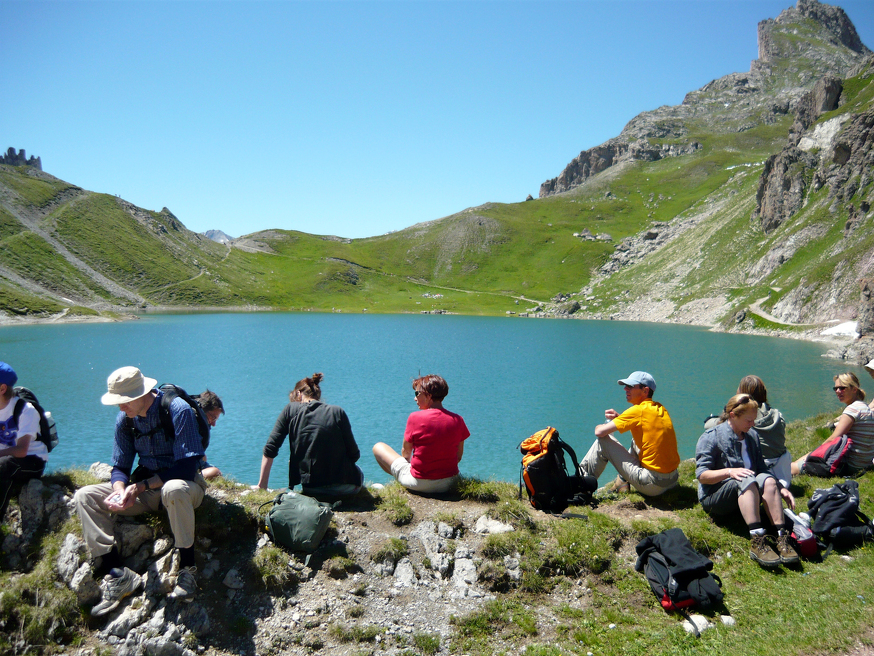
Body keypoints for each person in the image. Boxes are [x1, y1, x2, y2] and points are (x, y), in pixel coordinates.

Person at [74, 366, 207, 616]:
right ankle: (118, 573)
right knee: (85, 497)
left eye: (124, 402)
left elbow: (187, 468)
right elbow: (120, 466)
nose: (120, 408)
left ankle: (188, 569)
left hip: (185, 487)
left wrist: (141, 486)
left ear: (142, 393)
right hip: (145, 492)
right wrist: (120, 490)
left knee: (174, 489)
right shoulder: (125, 419)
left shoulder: (177, 410)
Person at [696, 393, 798, 568]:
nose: (753, 424)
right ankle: (757, 540)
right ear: (733, 415)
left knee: (769, 480)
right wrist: (729, 472)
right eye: (749, 420)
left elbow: (762, 469)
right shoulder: (711, 437)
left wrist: (781, 488)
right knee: (746, 477)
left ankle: (781, 537)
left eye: (754, 420)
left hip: (746, 491)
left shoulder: (751, 436)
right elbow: (702, 476)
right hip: (715, 497)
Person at [257, 373, 363, 499]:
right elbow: (354, 455)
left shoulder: (290, 410)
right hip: (346, 488)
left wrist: (262, 485)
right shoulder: (337, 411)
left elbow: (270, 448)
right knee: (359, 471)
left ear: (298, 394)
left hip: (312, 490)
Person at [578, 371, 680, 496]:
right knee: (636, 440)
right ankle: (622, 482)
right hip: (672, 480)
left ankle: (580, 486)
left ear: (645, 391)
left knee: (603, 440)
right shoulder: (659, 408)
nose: (626, 389)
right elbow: (640, 424)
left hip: (653, 485)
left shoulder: (637, 410)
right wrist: (620, 418)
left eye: (631, 386)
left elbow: (599, 432)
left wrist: (601, 425)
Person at [373, 374, 469, 494]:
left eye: (417, 394)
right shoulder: (458, 419)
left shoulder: (415, 417)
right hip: (450, 482)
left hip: (419, 483)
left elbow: (406, 453)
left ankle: (403, 483)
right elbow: (458, 457)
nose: (415, 398)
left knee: (378, 447)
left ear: (428, 396)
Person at [705, 376, 790, 487]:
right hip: (782, 474)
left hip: (756, 472)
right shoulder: (777, 416)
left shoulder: (745, 419)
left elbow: (710, 426)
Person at [791, 372, 874, 477]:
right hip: (863, 464)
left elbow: (834, 438)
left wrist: (815, 454)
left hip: (850, 466)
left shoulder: (853, 409)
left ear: (854, 389)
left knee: (792, 467)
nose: (838, 392)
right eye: (836, 389)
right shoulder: (864, 407)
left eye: (842, 388)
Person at [0, 362, 48, 523]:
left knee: (3, 466)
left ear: (2, 388)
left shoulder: (25, 410)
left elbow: (21, 450)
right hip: (6, 459)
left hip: (32, 461)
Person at [196, 389, 224, 480]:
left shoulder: (200, 425)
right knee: (215, 472)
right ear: (202, 410)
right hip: (186, 468)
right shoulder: (192, 425)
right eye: (213, 418)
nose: (213, 424)